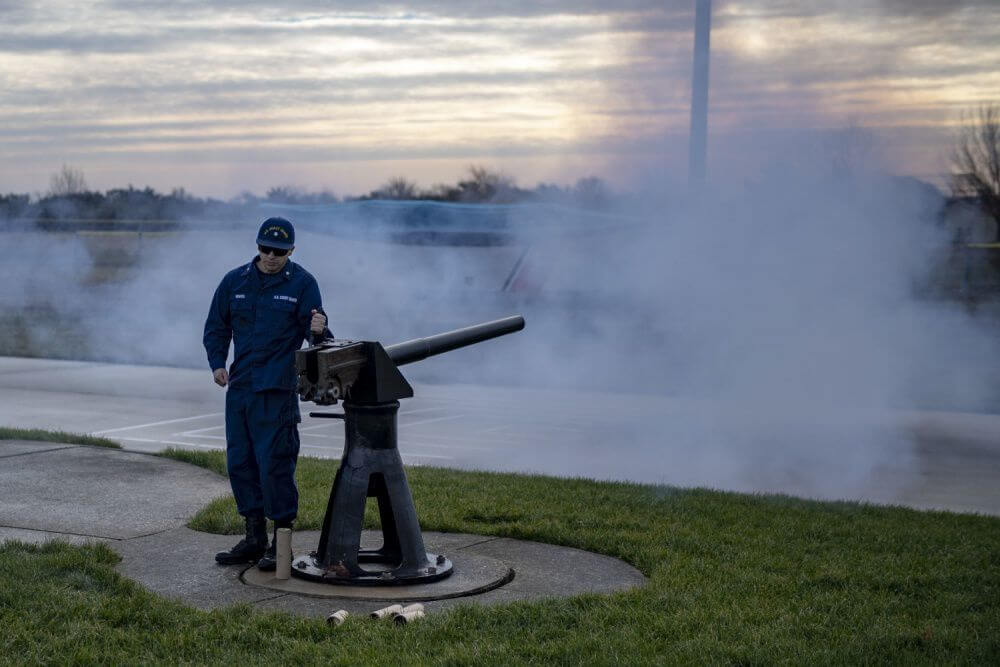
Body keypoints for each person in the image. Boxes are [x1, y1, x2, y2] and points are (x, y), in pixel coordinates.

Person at [203, 216, 330, 569]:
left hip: (276, 391)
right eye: (265, 248)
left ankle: (282, 544)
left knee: (275, 465)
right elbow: (216, 327)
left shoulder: (303, 284)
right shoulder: (234, 282)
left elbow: (316, 337)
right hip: (241, 389)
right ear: (257, 246)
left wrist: (319, 330)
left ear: (291, 250)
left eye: (279, 250)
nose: (271, 256)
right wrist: (217, 363)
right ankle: (254, 537)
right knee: (240, 463)